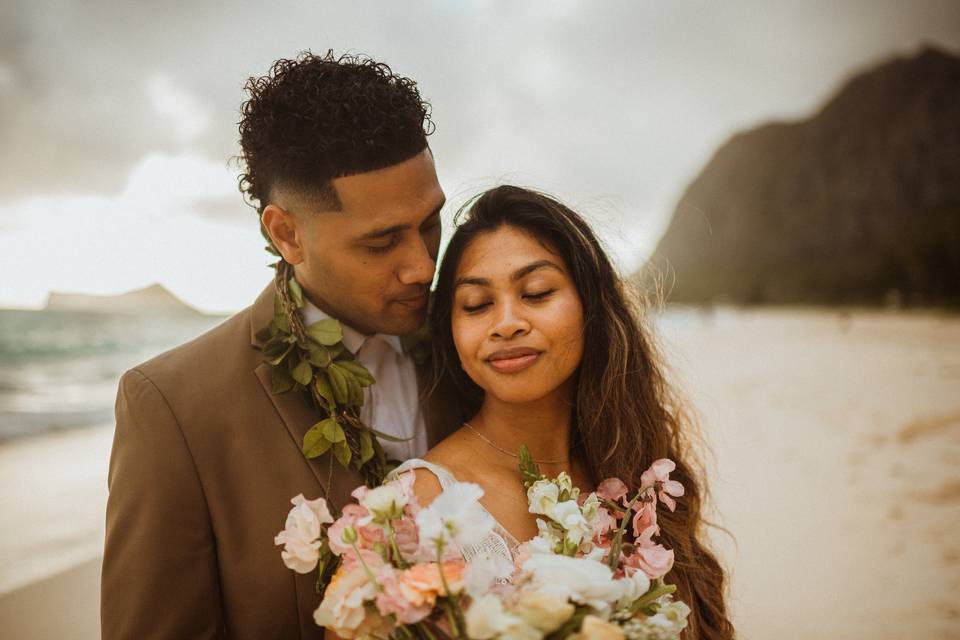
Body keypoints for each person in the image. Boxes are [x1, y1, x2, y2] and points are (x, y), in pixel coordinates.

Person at [102, 52, 462, 639]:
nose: (422, 267)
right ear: (287, 234)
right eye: (381, 243)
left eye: (429, 223)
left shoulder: (479, 353)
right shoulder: (169, 408)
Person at [390, 185, 735, 640]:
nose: (506, 323)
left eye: (535, 293)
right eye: (477, 304)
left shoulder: (634, 476)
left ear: (591, 307)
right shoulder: (421, 504)